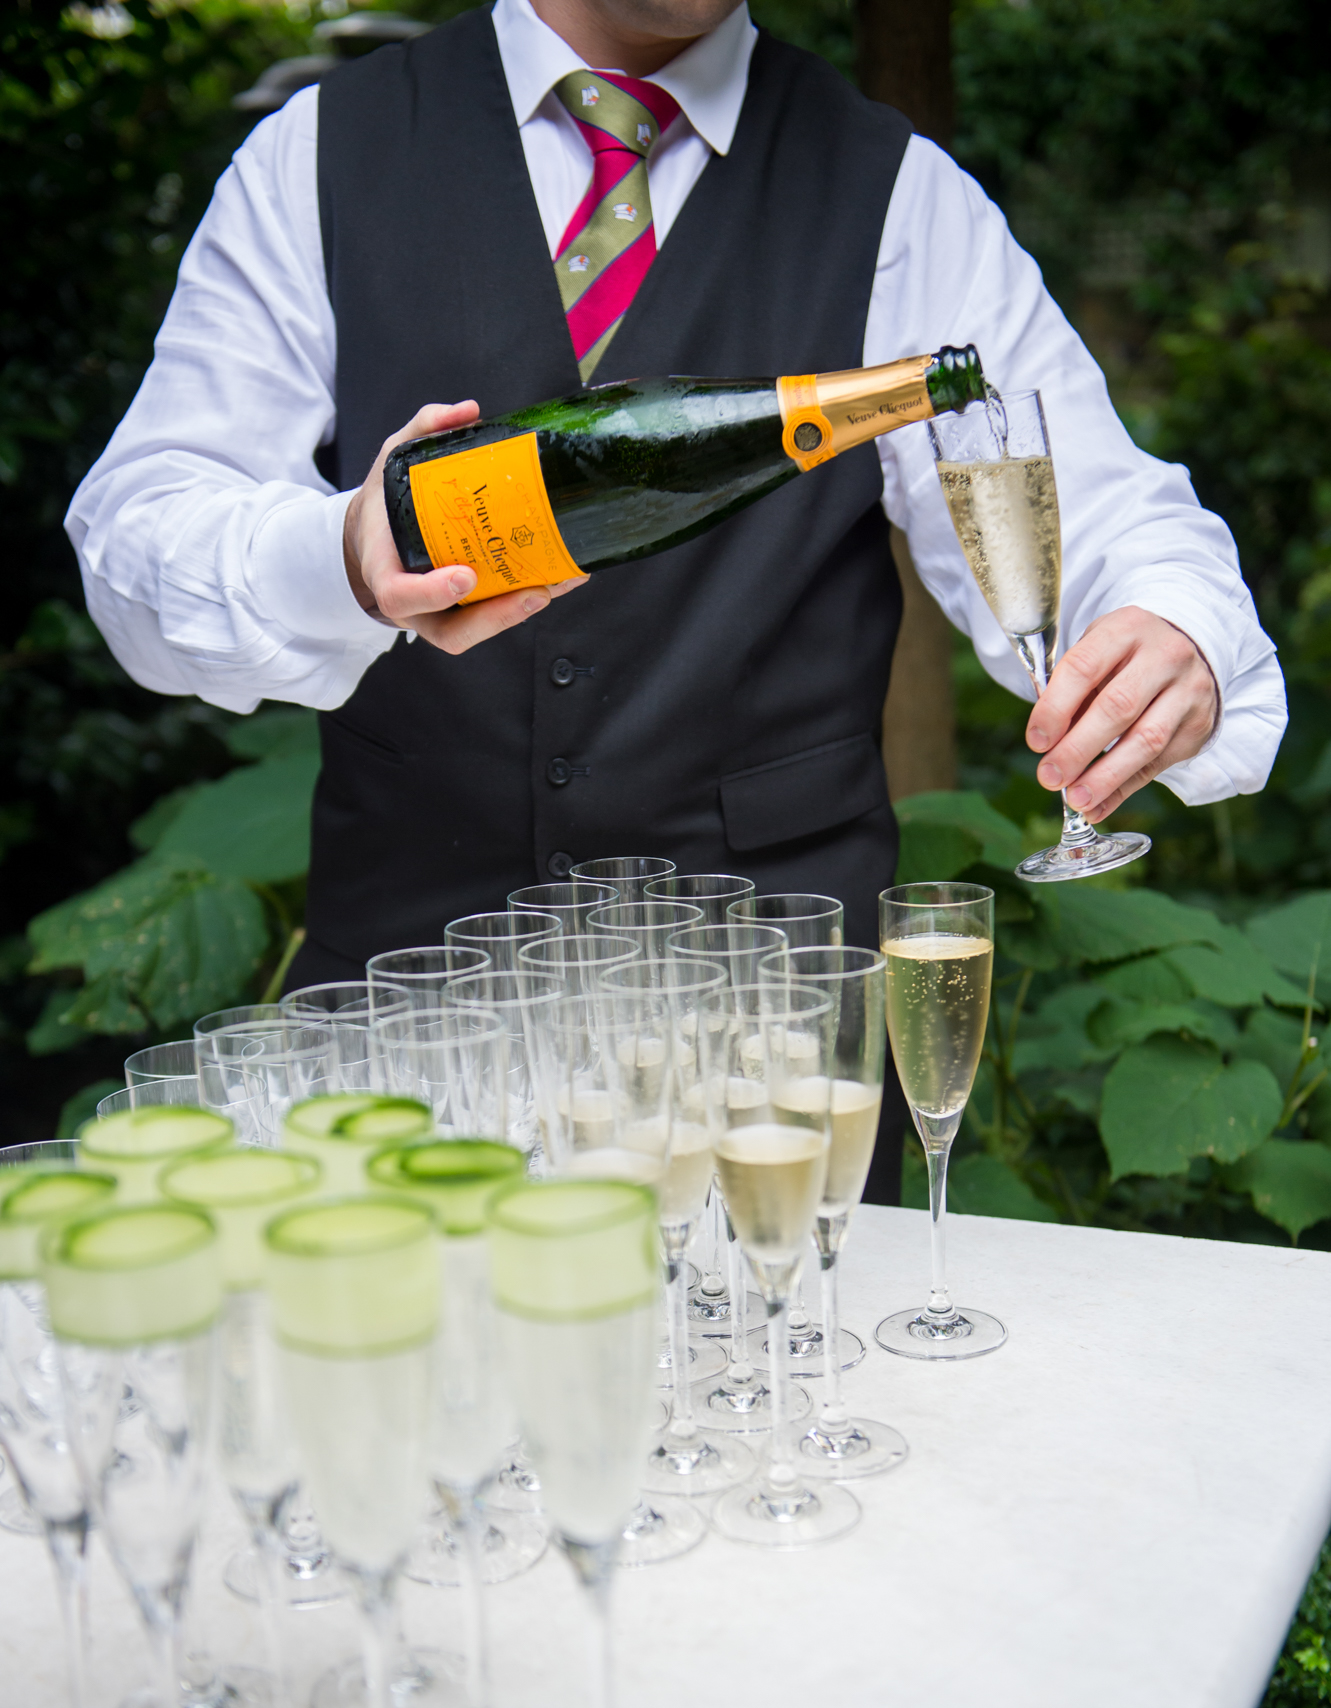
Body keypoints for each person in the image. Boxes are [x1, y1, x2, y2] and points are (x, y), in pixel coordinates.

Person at [66, 0, 1286, 1203]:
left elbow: (1108, 516)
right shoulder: (318, 155)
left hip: (770, 1085)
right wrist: (338, 551)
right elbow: (135, 542)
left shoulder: (896, 195)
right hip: (400, 1060)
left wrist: (1170, 626)